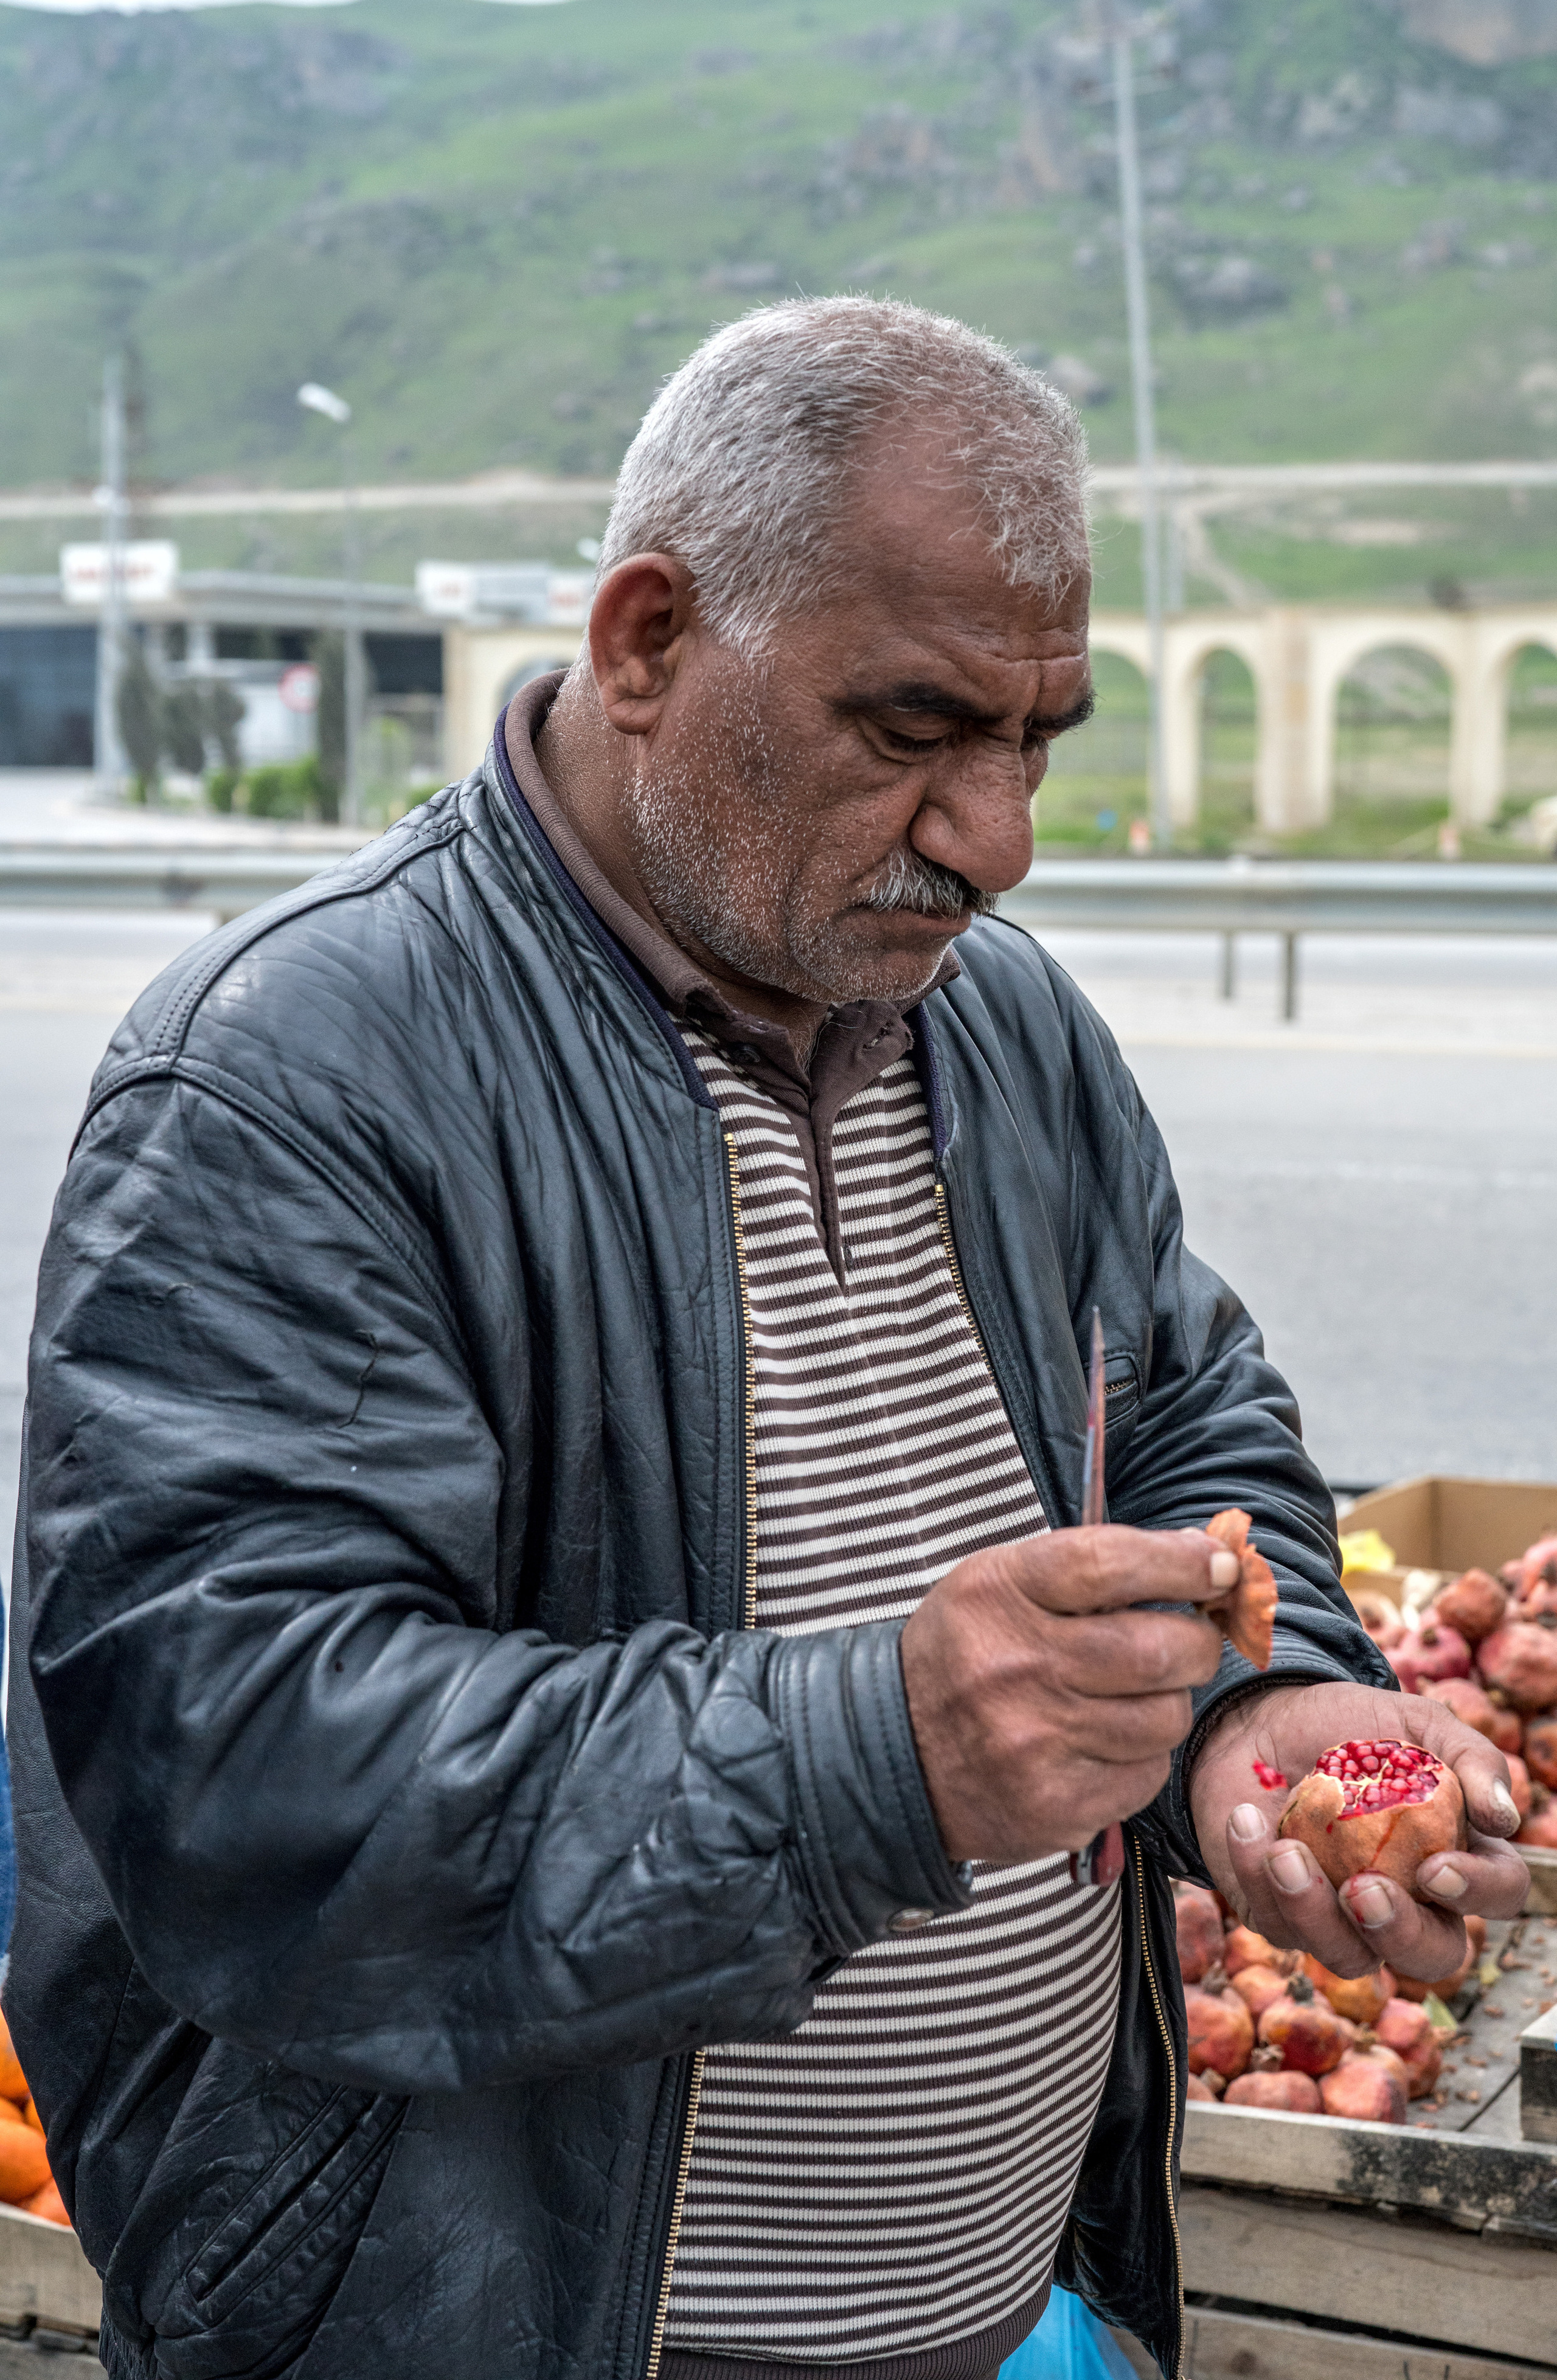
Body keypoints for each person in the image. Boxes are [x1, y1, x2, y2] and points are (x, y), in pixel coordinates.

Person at [8, 299, 1525, 2380]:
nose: (998, 837)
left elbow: (1184, 1415)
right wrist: (869, 1748)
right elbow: (245, 1778)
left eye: (1037, 740)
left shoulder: (1009, 1033)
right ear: (646, 644)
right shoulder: (285, 1085)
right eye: (911, 731)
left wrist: (1262, 1705)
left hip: (1015, 2320)